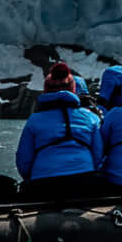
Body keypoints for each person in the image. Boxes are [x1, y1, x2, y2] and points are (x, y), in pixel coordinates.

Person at [14, 61, 104, 201]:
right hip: (84, 181)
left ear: (46, 90)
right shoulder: (90, 118)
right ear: (73, 89)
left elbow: (23, 161)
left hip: (44, 184)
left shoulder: (34, 120)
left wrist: (34, 178)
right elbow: (98, 155)